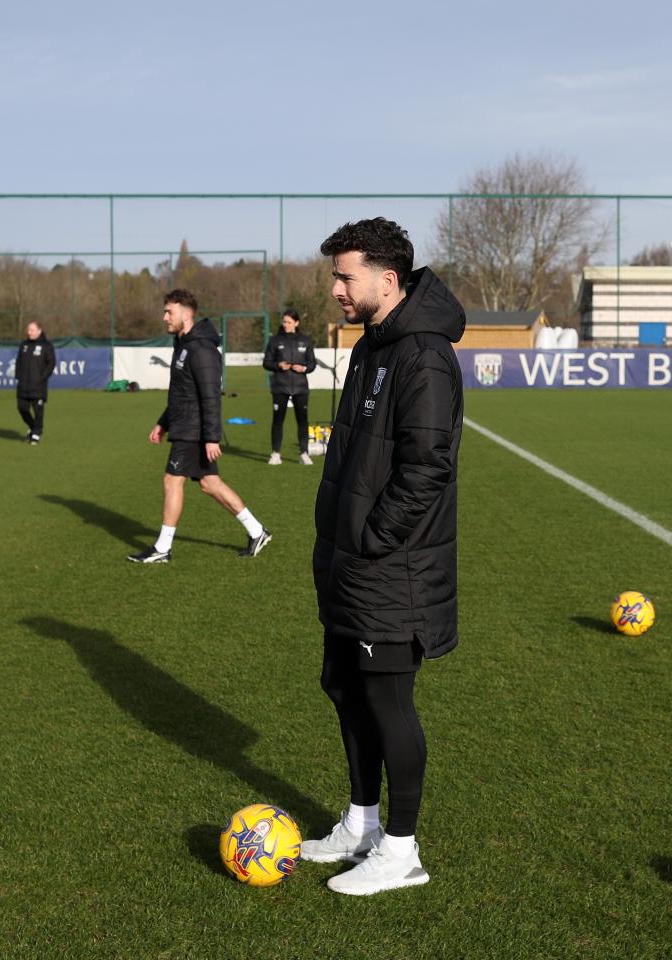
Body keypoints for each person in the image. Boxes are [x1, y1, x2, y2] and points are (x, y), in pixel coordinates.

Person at [301, 218, 465, 895]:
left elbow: (427, 467)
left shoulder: (422, 355)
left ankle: (402, 851)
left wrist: (373, 538)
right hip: (351, 563)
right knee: (344, 688)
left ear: (386, 280)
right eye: (335, 276)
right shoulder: (373, 345)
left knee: (388, 703)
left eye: (345, 277)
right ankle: (362, 823)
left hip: (391, 569)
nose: (336, 289)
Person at [127, 289, 272, 564]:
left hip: (194, 431)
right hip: (184, 426)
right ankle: (257, 531)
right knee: (209, 483)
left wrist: (212, 437)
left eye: (169, 311)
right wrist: (163, 422)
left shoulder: (201, 349)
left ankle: (162, 548)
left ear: (186, 313)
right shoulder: (182, 344)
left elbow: (210, 395)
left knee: (172, 481)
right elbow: (182, 393)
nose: (164, 317)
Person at [261, 309, 317, 465]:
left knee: (302, 421)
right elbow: (266, 362)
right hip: (280, 386)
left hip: (300, 387)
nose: (285, 325)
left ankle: (304, 453)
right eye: (284, 322)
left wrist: (304, 368)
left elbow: (312, 363)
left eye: (289, 322)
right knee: (278, 420)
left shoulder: (306, 341)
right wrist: (278, 365)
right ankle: (275, 454)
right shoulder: (274, 340)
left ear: (296, 323)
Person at [14, 321, 56, 444]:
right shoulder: (24, 345)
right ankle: (33, 428)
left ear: (39, 330)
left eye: (32, 330)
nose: (29, 332)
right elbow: (18, 361)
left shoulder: (46, 346)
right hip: (23, 385)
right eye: (28, 330)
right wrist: (18, 376)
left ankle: (37, 434)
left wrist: (42, 377)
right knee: (22, 409)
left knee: (38, 411)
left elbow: (51, 363)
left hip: (38, 386)